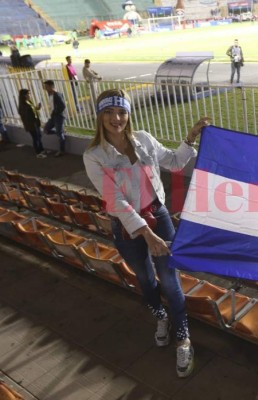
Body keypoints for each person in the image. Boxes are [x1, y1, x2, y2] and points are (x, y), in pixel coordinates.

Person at [83, 88, 211, 378]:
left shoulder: (144, 139)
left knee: (169, 278)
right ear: (100, 117)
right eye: (109, 112)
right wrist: (146, 235)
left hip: (160, 217)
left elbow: (175, 162)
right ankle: (160, 316)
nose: (116, 118)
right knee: (144, 278)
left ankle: (183, 336)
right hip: (127, 227)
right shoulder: (94, 156)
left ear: (128, 114)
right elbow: (114, 201)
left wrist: (190, 137)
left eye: (121, 111)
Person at [17, 89, 46, 158]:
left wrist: (37, 108)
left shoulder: (28, 102)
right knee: (35, 138)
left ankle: (41, 150)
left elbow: (32, 110)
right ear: (24, 95)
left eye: (29, 93)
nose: (30, 95)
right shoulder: (23, 105)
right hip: (31, 124)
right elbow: (26, 114)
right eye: (28, 94)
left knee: (39, 136)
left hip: (35, 122)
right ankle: (38, 153)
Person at [43, 80, 66, 157]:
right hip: (53, 116)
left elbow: (63, 106)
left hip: (59, 116)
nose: (45, 88)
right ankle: (61, 132)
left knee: (60, 134)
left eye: (46, 87)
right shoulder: (50, 94)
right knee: (46, 130)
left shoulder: (57, 94)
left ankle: (62, 151)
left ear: (51, 86)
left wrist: (56, 112)